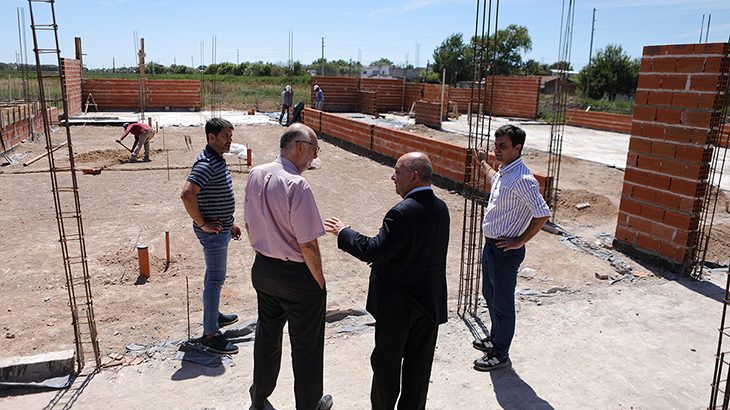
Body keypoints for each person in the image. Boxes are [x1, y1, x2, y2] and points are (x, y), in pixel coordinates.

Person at [324, 152, 450, 410]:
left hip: (398, 307)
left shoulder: (401, 212)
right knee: (418, 371)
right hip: (428, 304)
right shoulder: (441, 207)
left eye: (398, 171)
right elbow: (417, 251)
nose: (393, 176)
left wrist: (344, 232)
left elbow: (373, 250)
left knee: (385, 370)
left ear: (414, 176)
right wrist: (385, 258)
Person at [243, 123, 332, 410]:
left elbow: (248, 223)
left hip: (264, 269)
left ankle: (259, 399)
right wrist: (319, 281)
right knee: (306, 345)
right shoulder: (297, 184)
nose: (314, 158)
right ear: (299, 147)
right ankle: (309, 404)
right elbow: (308, 244)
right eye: (314, 151)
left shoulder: (256, 173)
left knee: (267, 337)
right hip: (296, 276)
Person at [471, 124, 551, 371]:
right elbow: (495, 180)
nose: (497, 150)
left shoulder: (524, 180)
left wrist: (520, 240)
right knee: (490, 296)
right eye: (495, 145)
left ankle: (500, 353)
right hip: (492, 248)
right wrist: (483, 163)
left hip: (506, 252)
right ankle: (496, 339)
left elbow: (542, 213)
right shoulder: (506, 171)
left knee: (503, 304)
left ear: (518, 148)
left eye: (502, 146)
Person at [180, 118, 241, 355]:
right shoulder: (206, 164)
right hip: (213, 233)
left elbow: (215, 195)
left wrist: (230, 222)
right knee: (215, 280)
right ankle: (210, 335)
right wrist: (202, 223)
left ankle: (213, 315)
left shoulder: (216, 160)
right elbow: (187, 194)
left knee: (211, 278)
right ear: (211, 137)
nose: (229, 140)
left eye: (230, 135)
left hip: (221, 229)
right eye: (225, 135)